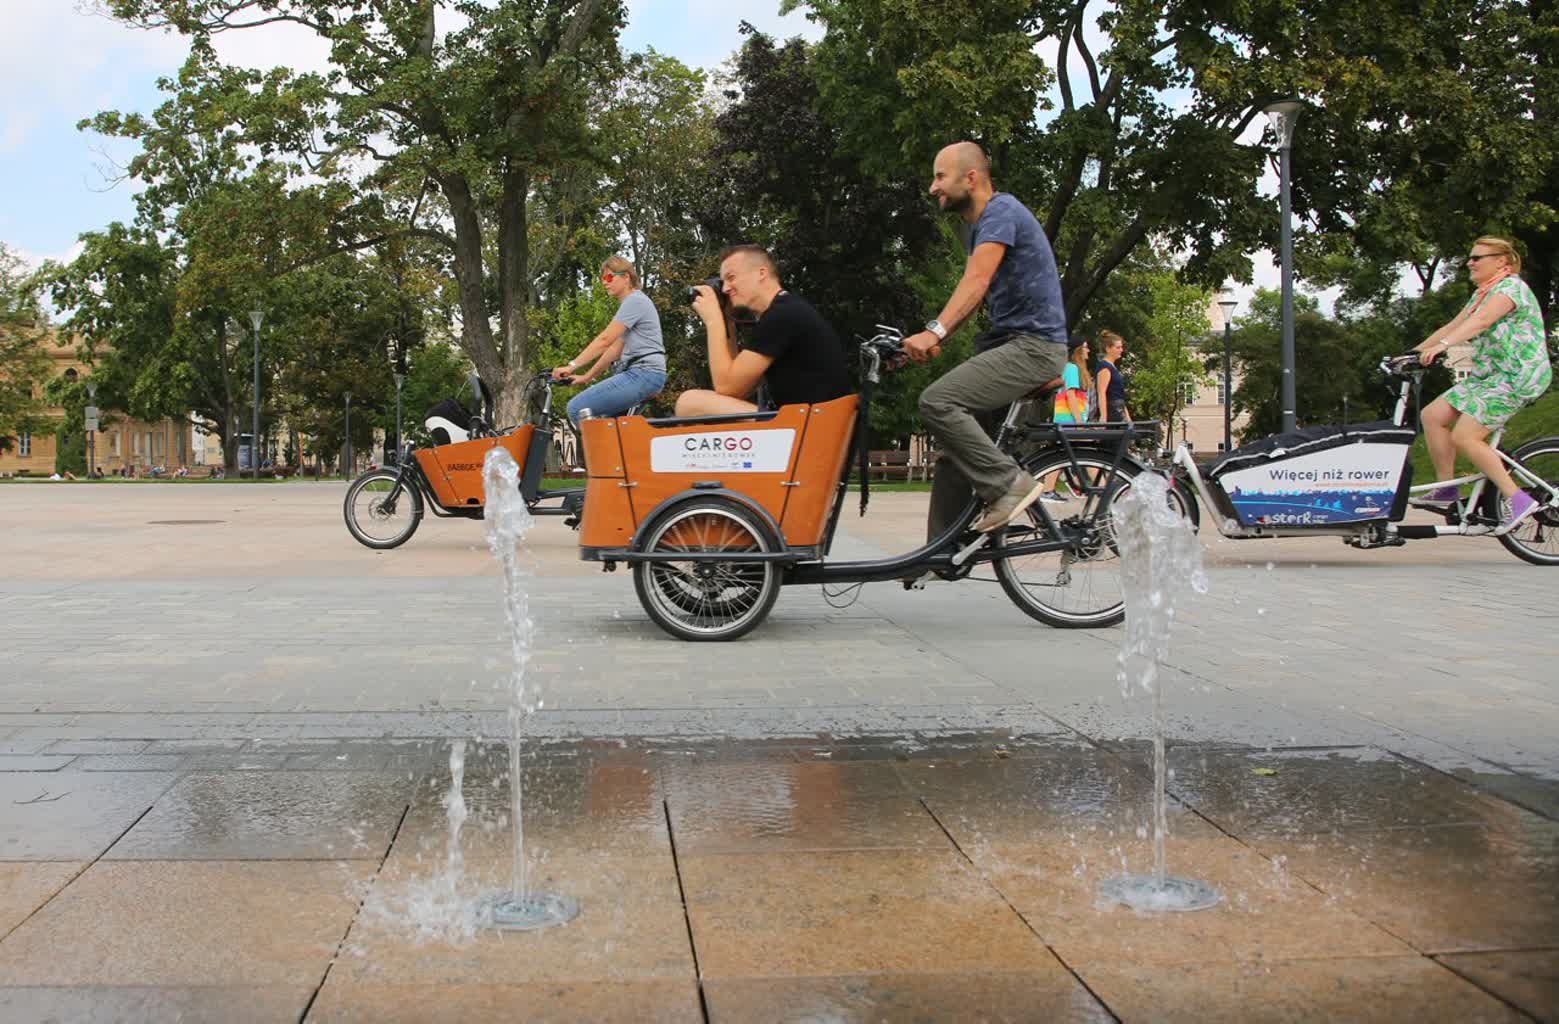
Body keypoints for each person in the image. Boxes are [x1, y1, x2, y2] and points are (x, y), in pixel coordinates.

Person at [903, 142, 1070, 535]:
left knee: (938, 402)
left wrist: (935, 331)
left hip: (1032, 348)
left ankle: (1011, 485)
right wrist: (935, 337)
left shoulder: (1000, 213)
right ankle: (940, 551)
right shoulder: (985, 224)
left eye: (941, 176)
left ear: (972, 177)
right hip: (1011, 344)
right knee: (955, 450)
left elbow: (976, 282)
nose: (933, 187)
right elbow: (975, 290)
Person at [1414, 236, 1552, 526]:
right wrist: (1410, 355)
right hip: (1490, 376)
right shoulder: (1482, 293)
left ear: (1502, 261)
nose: (1470, 263)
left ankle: (1517, 499)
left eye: (1478, 258)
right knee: (1432, 415)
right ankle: (1447, 489)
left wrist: (1444, 346)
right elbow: (1455, 325)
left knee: (1465, 436)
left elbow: (1481, 323)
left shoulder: (1511, 288)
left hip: (1517, 376)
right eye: (1470, 257)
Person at [677, 244, 850, 416]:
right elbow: (739, 387)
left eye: (731, 277)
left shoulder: (782, 316)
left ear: (761, 273)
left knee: (689, 403)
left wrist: (713, 321)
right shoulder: (788, 309)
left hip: (806, 424)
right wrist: (726, 321)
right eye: (723, 282)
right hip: (811, 421)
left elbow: (726, 387)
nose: (725, 289)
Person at [554, 256, 667, 425]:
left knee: (576, 408)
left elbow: (605, 339)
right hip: (647, 373)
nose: (604, 283)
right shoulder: (632, 304)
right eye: (602, 279)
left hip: (643, 373)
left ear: (626, 277)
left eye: (609, 277)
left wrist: (571, 366)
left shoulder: (634, 301)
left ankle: (597, 452)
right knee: (610, 427)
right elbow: (614, 350)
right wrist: (586, 377)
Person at [1039, 335, 1093, 501]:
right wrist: (1079, 422)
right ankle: (1099, 486)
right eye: (1085, 347)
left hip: (1069, 419)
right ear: (1078, 350)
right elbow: (1070, 396)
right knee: (1089, 451)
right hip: (1069, 420)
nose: (1088, 350)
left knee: (1063, 455)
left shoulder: (1073, 369)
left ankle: (1054, 489)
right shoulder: (1071, 368)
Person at [1093, 330, 1131, 423]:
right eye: (1118, 347)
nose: (1121, 350)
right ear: (1108, 349)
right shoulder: (1104, 367)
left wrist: (1128, 417)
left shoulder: (1113, 367)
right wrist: (1103, 417)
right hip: (1112, 411)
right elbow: (1101, 393)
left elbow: (1119, 394)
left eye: (1121, 347)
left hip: (1119, 409)